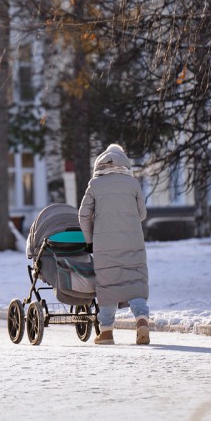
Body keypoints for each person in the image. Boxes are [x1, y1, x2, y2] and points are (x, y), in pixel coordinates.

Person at [78, 144, 150, 345]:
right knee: (135, 281)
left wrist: (89, 240)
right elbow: (142, 214)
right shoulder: (132, 184)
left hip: (104, 244)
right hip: (132, 241)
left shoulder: (95, 185)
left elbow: (83, 216)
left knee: (108, 285)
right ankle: (142, 320)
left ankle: (107, 331)